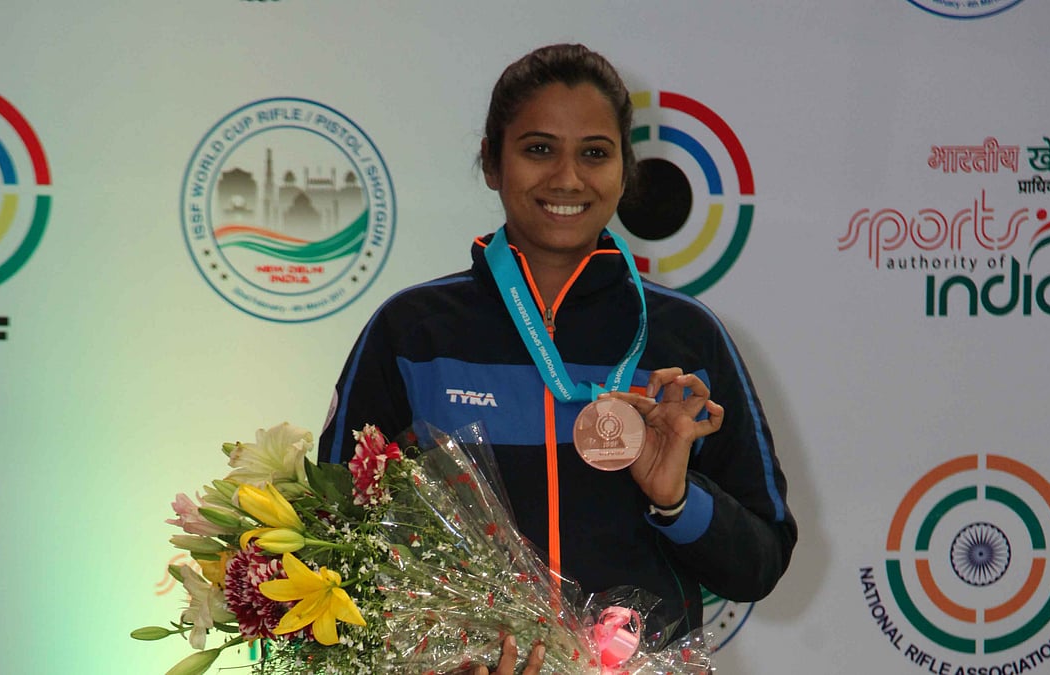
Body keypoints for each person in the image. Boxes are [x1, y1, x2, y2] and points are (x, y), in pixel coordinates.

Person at [317, 43, 797, 674]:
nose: (567, 178)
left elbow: (760, 561)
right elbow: (330, 542)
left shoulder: (686, 338)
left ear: (625, 171)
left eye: (594, 153)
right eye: (538, 149)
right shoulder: (413, 333)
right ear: (492, 161)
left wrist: (677, 498)